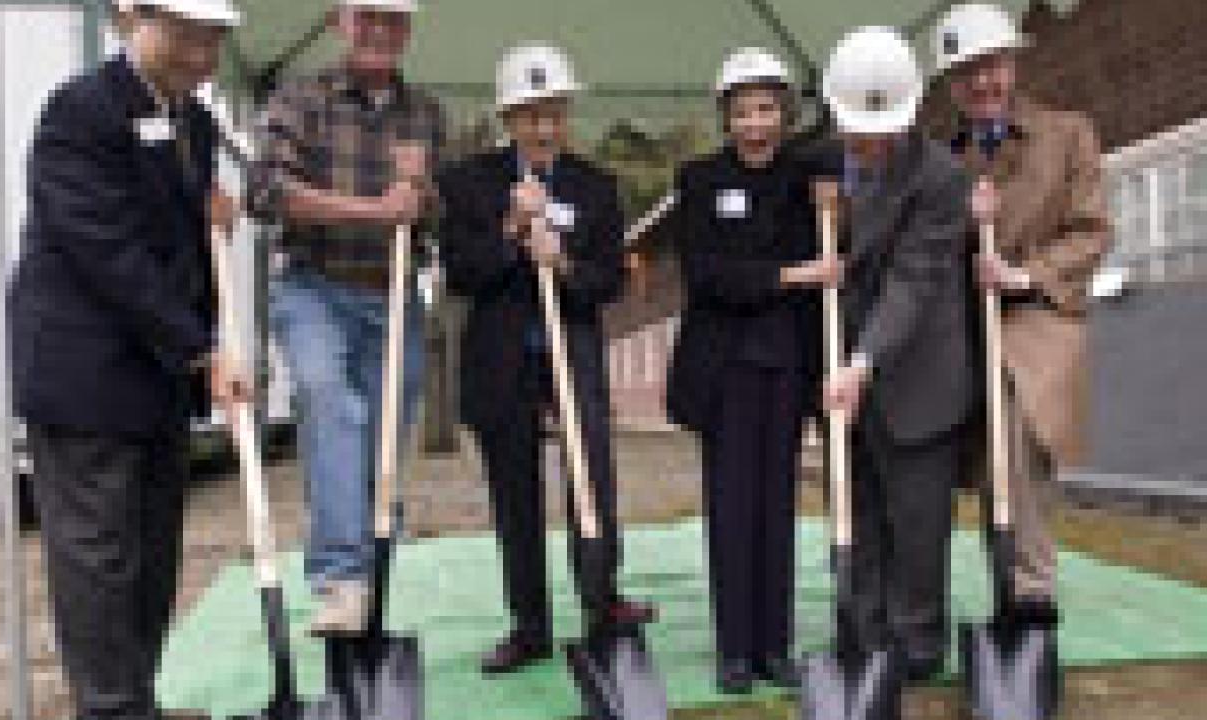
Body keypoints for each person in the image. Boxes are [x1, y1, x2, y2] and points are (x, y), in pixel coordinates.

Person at [8, 0, 244, 717]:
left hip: (156, 383)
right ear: (131, 19)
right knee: (99, 566)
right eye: (183, 35)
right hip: (87, 378)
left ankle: (132, 699)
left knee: (151, 562)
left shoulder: (195, 123)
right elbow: (107, 253)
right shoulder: (80, 112)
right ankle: (112, 707)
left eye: (213, 39)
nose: (201, 55)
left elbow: (173, 240)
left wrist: (212, 218)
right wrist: (202, 349)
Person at [436, 43, 655, 675]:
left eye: (553, 113)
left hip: (574, 349)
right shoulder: (469, 183)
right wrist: (510, 231)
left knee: (591, 476)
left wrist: (562, 263)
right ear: (507, 118)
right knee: (515, 492)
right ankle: (529, 624)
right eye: (530, 115)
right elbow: (461, 272)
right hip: (502, 356)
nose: (544, 127)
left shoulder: (594, 186)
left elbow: (609, 279)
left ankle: (601, 601)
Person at [247, 0, 446, 635]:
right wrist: (375, 211)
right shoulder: (299, 99)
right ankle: (340, 578)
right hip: (314, 290)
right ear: (339, 21)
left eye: (394, 19)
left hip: (393, 295)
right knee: (333, 407)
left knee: (379, 443)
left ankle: (369, 561)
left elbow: (445, 222)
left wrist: (426, 196)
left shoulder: (428, 115)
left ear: (409, 30)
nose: (381, 30)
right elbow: (265, 194)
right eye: (368, 17)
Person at [929, 3, 1111, 622]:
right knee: (985, 462)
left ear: (1013, 64)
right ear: (951, 82)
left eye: (994, 66)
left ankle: (1032, 591)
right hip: (965, 326)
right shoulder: (942, 159)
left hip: (1037, 319)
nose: (983, 82)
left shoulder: (1068, 135)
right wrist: (961, 222)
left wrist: (1022, 274)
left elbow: (1091, 233)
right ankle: (1007, 585)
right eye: (967, 71)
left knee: (1023, 444)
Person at [665, 48, 835, 693]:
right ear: (726, 119)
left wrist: (828, 200)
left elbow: (839, 156)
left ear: (786, 114)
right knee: (733, 508)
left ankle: (775, 648)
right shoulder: (700, 180)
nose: (755, 125)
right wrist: (791, 274)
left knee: (778, 508)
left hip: (789, 363)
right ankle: (735, 650)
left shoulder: (807, 178)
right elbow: (707, 275)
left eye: (766, 109)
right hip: (727, 369)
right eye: (742, 113)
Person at [818, 26, 974, 684]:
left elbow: (913, 280)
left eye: (881, 130)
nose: (870, 143)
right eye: (858, 130)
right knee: (859, 506)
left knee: (918, 518)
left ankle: (917, 641)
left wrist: (863, 360)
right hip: (846, 373)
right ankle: (863, 629)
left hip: (916, 374)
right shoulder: (821, 168)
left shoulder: (941, 177)